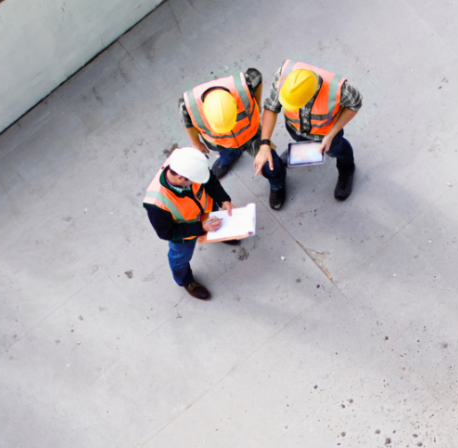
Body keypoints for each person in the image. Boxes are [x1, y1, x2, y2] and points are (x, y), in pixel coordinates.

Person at [253, 59, 362, 202]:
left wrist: (332, 134)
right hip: (295, 128)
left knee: (338, 150)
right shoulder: (283, 76)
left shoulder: (338, 88)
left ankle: (347, 171)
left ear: (311, 95)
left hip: (326, 135)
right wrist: (265, 144)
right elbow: (271, 108)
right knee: (302, 143)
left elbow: (355, 103)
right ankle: (303, 151)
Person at [180, 68, 287, 209]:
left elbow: (257, 77)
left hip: (251, 134)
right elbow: (188, 122)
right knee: (226, 152)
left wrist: (257, 102)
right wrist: (196, 143)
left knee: (270, 164)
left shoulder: (245, 84)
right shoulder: (188, 105)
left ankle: (277, 183)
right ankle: (229, 157)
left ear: (234, 103)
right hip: (221, 142)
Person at [143, 147, 236, 300]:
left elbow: (210, 181)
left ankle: (219, 234)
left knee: (217, 225)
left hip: (208, 210)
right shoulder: (156, 203)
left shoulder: (190, 165)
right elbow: (166, 232)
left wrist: (223, 200)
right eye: (195, 181)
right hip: (184, 234)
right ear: (180, 178)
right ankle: (185, 281)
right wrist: (201, 228)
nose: (198, 181)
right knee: (180, 258)